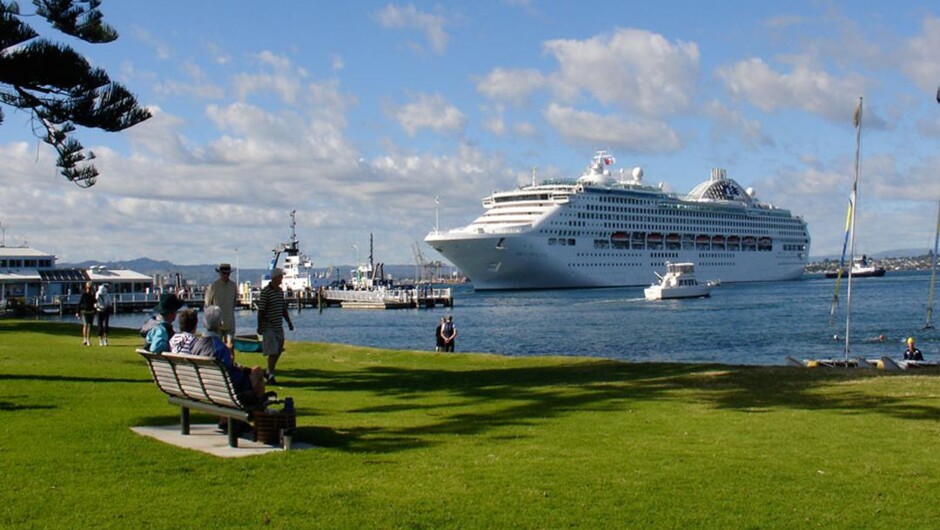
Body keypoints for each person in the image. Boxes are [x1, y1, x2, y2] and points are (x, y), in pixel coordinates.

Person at [192, 305, 266, 399]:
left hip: (205, 386)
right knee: (258, 371)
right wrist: (233, 359)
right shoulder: (220, 347)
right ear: (220, 324)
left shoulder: (197, 345)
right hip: (224, 388)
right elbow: (228, 372)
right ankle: (258, 408)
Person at [257, 268, 294, 384]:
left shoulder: (279, 291)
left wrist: (289, 322)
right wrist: (260, 325)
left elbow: (283, 308)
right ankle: (270, 373)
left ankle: (269, 371)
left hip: (278, 325)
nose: (282, 279)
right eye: (280, 277)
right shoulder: (266, 292)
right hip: (269, 325)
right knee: (272, 350)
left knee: (279, 348)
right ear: (275, 277)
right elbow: (261, 310)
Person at [205, 262, 238, 342]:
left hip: (229, 322)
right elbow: (207, 304)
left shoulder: (233, 286)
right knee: (216, 348)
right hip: (216, 324)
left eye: (228, 273)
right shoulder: (213, 286)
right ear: (220, 273)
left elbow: (234, 303)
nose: (226, 275)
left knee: (230, 346)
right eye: (224, 273)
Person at [76, 281, 96, 346]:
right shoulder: (84, 294)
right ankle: (85, 339)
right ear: (86, 287)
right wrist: (77, 312)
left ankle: (88, 339)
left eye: (90, 288)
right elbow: (79, 303)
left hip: (91, 311)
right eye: (88, 288)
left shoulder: (93, 295)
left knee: (90, 326)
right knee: (85, 325)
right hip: (84, 311)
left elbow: (95, 302)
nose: (89, 289)